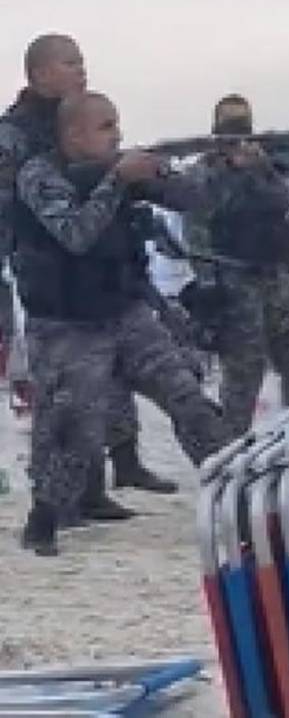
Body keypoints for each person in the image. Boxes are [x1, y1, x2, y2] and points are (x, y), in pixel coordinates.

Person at [15, 91, 229, 555]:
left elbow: (192, 200)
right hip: (66, 326)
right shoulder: (38, 175)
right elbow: (75, 234)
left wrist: (201, 163)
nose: (117, 135)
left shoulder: (117, 169)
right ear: (73, 133)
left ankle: (232, 494)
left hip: (124, 313)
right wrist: (117, 179)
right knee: (73, 429)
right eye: (106, 127)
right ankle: (46, 517)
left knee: (186, 395)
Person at [0, 35, 175, 509]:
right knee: (63, 391)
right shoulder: (14, 135)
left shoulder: (80, 117)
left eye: (82, 61)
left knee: (108, 373)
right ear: (39, 74)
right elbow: (12, 203)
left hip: (95, 256)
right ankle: (59, 499)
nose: (82, 70)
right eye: (70, 62)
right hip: (46, 268)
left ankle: (106, 479)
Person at [186, 95, 289, 438]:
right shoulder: (204, 172)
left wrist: (259, 170)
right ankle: (231, 444)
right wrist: (208, 284)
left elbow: (281, 208)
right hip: (233, 278)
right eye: (230, 124)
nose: (238, 131)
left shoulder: (265, 167)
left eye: (243, 123)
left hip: (274, 274)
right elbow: (198, 225)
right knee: (244, 371)